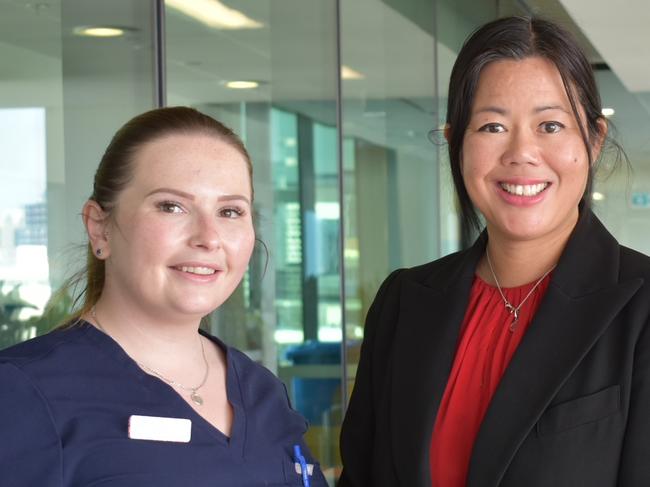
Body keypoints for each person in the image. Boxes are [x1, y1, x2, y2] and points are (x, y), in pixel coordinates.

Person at [339, 16, 650, 487]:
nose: (522, 152)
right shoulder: (403, 301)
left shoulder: (642, 307)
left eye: (550, 124)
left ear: (593, 139)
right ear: (455, 142)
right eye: (491, 126)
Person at [0, 107, 328, 487]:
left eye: (230, 211)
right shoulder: (22, 393)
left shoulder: (262, 392)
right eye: (172, 206)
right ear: (99, 227)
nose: (208, 237)